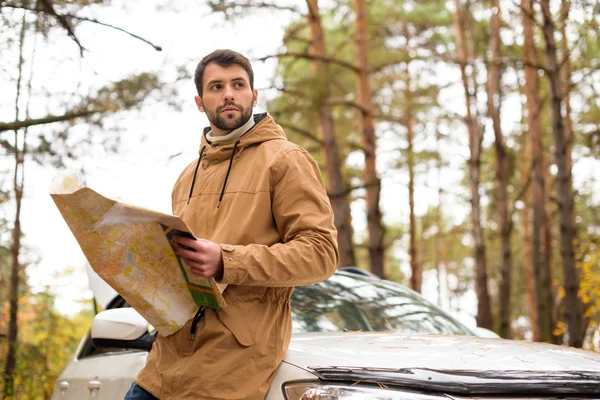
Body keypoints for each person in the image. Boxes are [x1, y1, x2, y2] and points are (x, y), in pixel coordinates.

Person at [125, 49, 339, 400]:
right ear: (199, 101)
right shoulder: (186, 178)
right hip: (163, 365)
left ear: (253, 96)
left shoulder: (286, 160)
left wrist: (226, 261)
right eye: (216, 86)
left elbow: (320, 254)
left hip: (231, 369)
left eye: (238, 84)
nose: (228, 93)